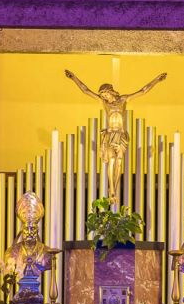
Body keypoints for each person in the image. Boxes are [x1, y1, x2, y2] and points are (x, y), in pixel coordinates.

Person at [64, 70, 166, 204]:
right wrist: (74, 78)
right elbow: (86, 90)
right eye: (102, 95)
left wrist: (157, 80)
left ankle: (115, 189)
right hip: (110, 134)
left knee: (119, 162)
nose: (104, 97)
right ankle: (111, 189)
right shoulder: (104, 103)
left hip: (121, 135)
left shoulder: (123, 100)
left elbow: (143, 91)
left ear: (109, 91)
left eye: (105, 94)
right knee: (111, 159)